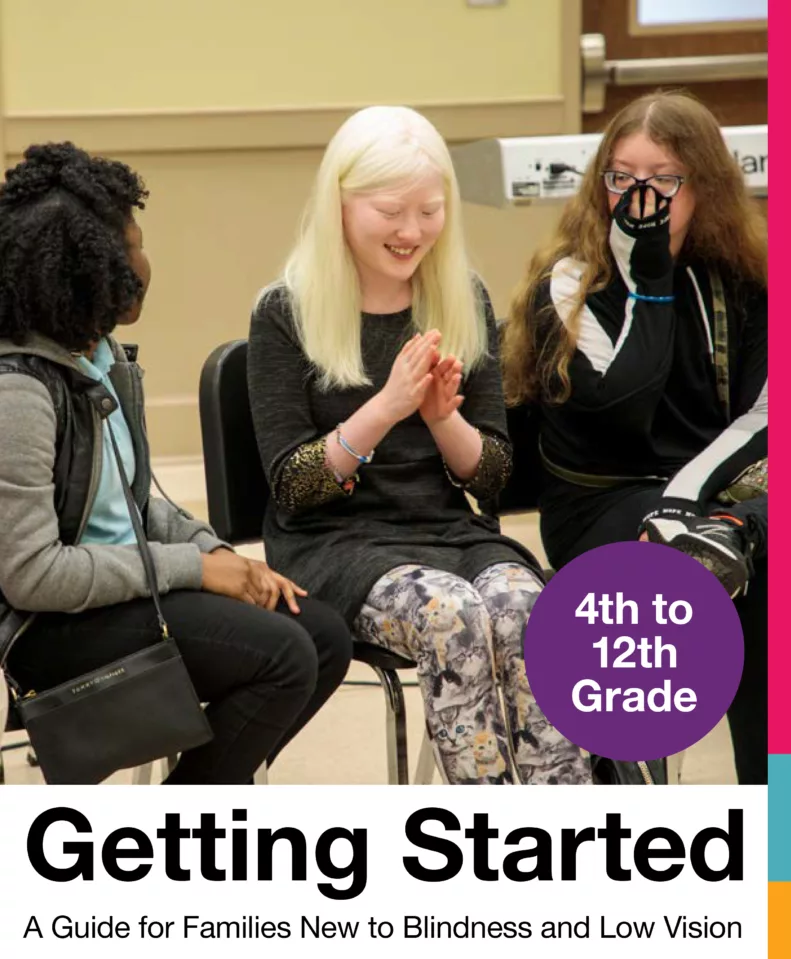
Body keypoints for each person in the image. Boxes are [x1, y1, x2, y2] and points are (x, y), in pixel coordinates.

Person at [248, 106, 590, 786]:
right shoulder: (285, 311)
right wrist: (386, 408)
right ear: (339, 205)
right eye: (389, 211)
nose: (411, 232)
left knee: (528, 607)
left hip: (445, 530)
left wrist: (441, 420)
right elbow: (293, 486)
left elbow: (491, 478)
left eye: (429, 211)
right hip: (333, 544)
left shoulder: (460, 295)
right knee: (450, 614)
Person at [0, 142, 352, 784]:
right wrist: (193, 570)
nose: (145, 260)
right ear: (84, 269)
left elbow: (130, 504)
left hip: (122, 591)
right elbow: (33, 576)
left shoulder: (103, 358)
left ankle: (194, 797)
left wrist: (215, 552)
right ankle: (188, 825)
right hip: (50, 629)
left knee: (323, 636)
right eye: (132, 245)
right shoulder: (18, 390)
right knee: (283, 657)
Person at [502, 91, 767, 784]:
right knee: (653, 580)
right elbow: (621, 408)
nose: (639, 197)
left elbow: (761, 419)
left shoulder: (739, 279)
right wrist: (645, 279)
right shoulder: (568, 281)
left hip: (704, 495)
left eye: (662, 180)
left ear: (701, 188)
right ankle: (635, 816)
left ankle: (772, 826)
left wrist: (696, 512)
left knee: (763, 575)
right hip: (600, 499)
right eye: (621, 177)